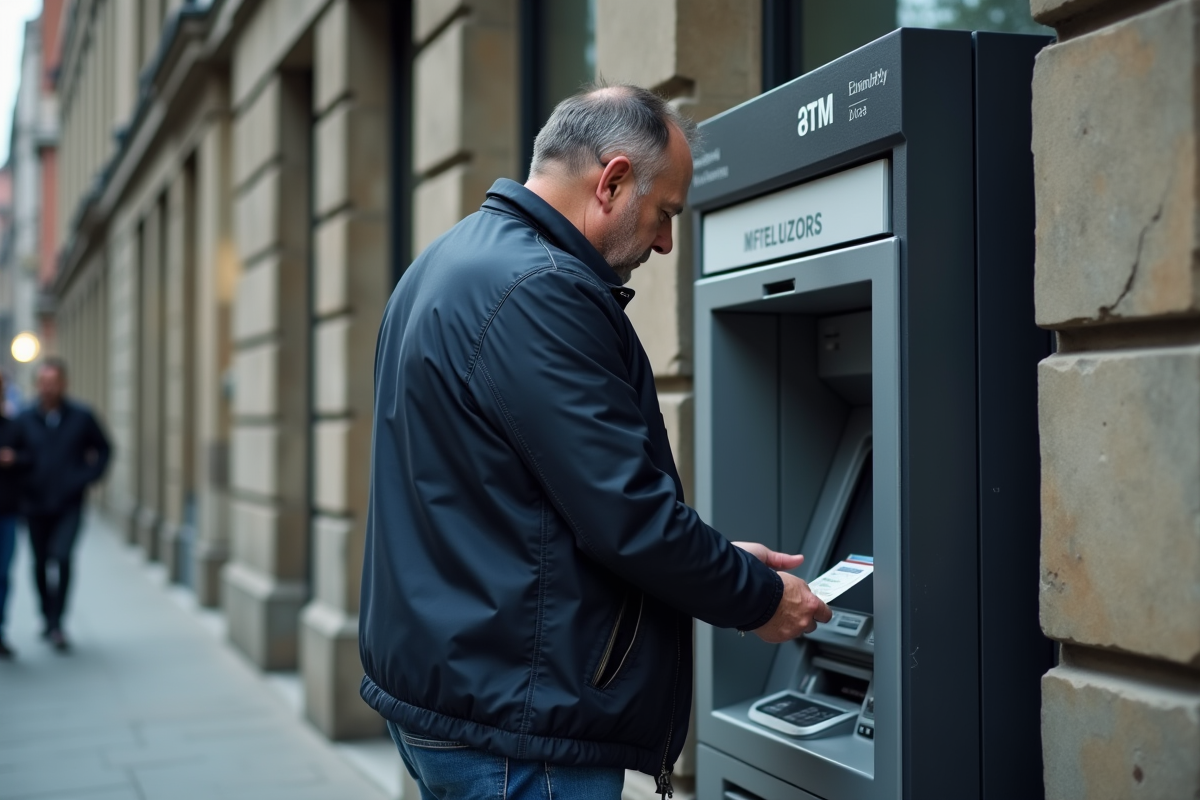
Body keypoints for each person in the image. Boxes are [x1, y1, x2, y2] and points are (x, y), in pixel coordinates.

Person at [359, 85, 831, 800]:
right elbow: (627, 515)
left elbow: (514, 501)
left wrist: (718, 561)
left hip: (462, 696)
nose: (668, 241)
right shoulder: (539, 292)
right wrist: (758, 597)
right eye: (665, 212)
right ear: (611, 181)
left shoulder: (444, 265)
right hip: (519, 725)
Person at [19, 358, 111, 651]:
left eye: (54, 382)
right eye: (44, 383)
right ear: (37, 385)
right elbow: (17, 454)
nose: (48, 388)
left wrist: (87, 477)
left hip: (69, 502)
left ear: (64, 383)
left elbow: (105, 449)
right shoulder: (24, 419)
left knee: (62, 557)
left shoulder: (81, 417)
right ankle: (46, 615)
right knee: (40, 562)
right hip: (35, 504)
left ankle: (58, 622)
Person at [0, 372, 30, 658]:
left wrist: (14, 459)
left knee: (2, 574)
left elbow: (31, 459)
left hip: (6, 512)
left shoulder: (14, 427)